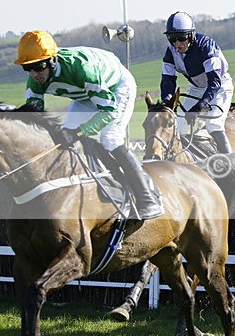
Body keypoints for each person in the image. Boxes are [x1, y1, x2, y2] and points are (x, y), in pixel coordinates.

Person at [16, 30, 164, 219]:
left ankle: (147, 198)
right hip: (85, 95)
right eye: (27, 68)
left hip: (116, 87)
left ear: (52, 60)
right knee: (63, 137)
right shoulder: (35, 81)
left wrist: (81, 131)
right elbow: (34, 121)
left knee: (110, 138)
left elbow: (108, 111)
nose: (34, 73)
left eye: (39, 66)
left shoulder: (82, 69)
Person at [160, 11, 234, 153]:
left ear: (191, 35)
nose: (177, 44)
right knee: (179, 127)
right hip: (197, 88)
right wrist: (166, 102)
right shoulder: (170, 52)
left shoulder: (206, 46)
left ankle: (231, 164)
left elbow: (214, 83)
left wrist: (201, 105)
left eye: (181, 38)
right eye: (172, 38)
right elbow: (167, 81)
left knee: (213, 124)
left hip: (219, 87)